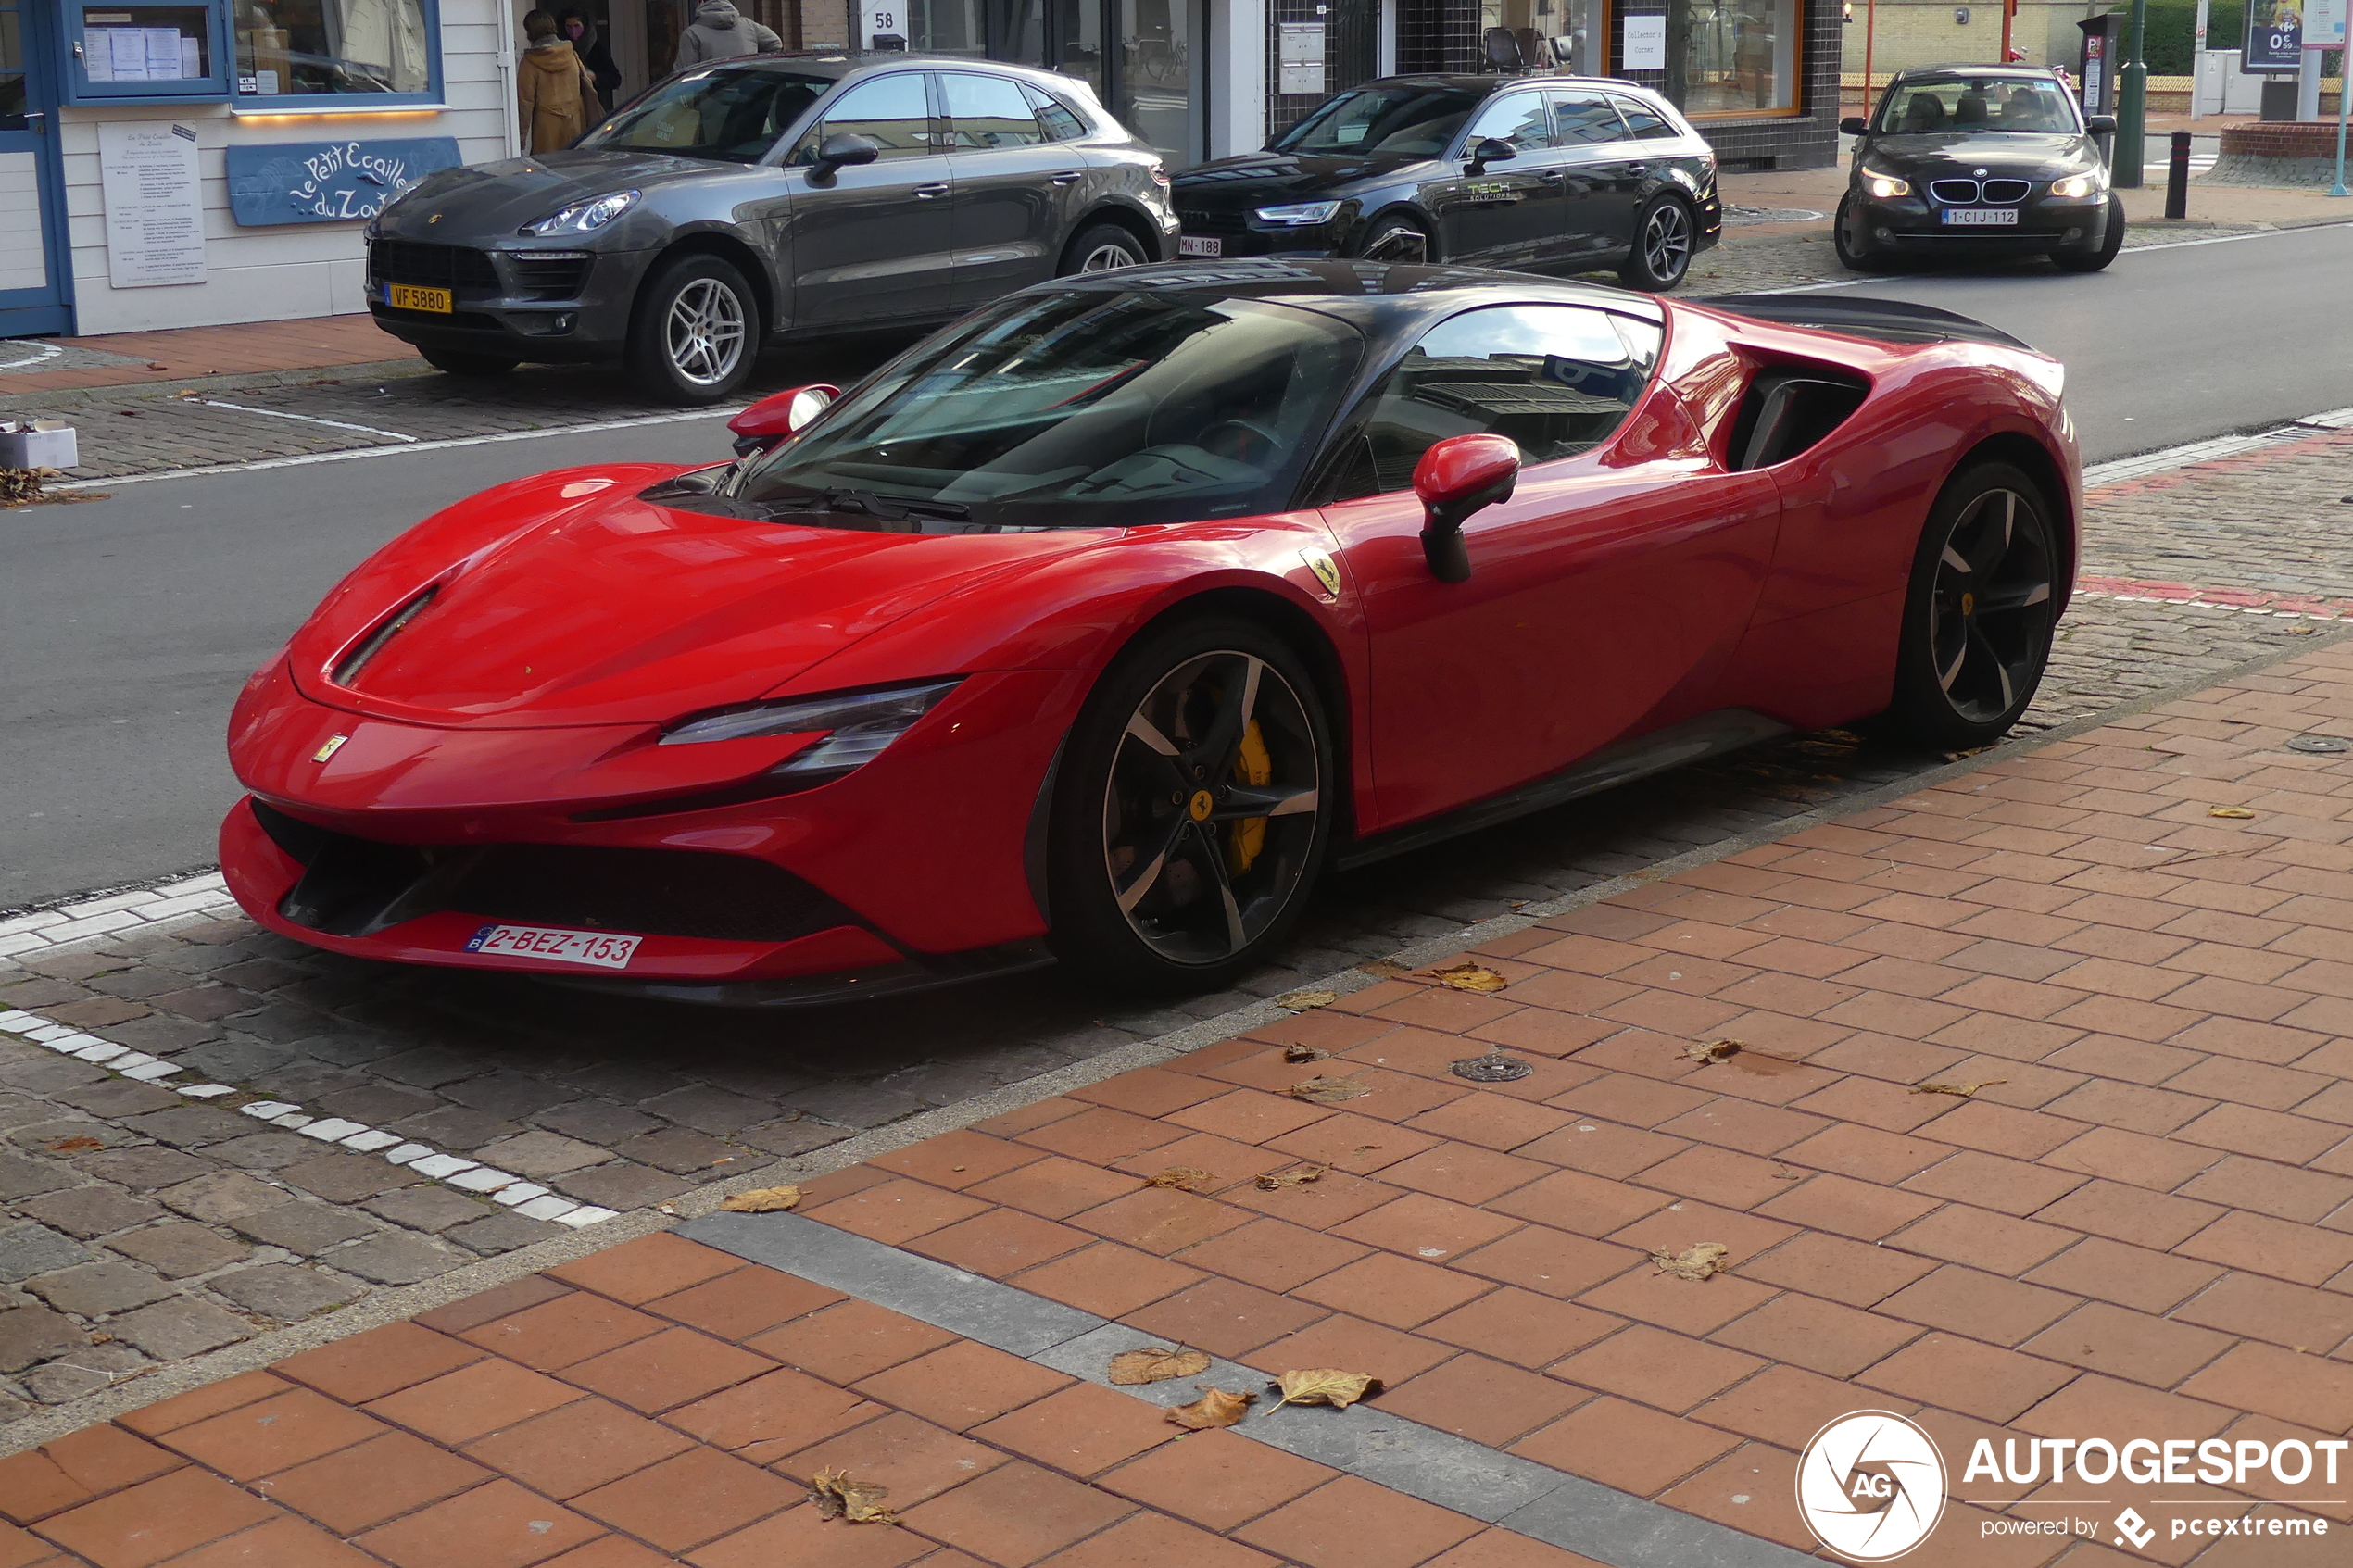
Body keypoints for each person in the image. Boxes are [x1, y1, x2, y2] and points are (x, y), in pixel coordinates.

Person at [517, 9, 598, 154]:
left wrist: (521, 137)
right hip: (575, 120)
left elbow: (525, 103)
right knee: (575, 165)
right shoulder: (571, 54)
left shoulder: (529, 63)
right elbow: (587, 88)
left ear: (530, 32)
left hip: (547, 127)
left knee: (548, 169)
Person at [672, 0, 782, 67]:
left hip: (711, 97)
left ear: (700, 2)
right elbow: (776, 43)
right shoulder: (748, 25)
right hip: (748, 93)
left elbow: (683, 73)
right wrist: (753, 62)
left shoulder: (692, 34)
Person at [560, 6, 622, 116]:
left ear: (585, 26)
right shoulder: (562, 47)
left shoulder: (597, 48)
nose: (573, 31)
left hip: (597, 107)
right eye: (568, 26)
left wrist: (594, 76)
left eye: (577, 26)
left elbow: (615, 79)